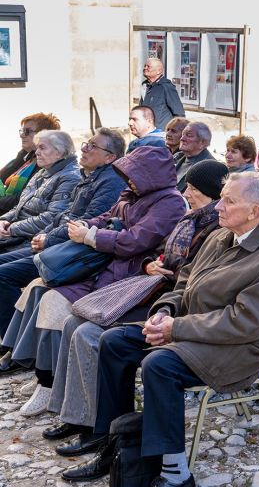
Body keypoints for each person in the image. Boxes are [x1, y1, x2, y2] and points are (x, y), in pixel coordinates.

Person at [61, 172, 259, 487]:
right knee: (114, 341)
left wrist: (177, 329)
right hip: (194, 330)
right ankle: (113, 445)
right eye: (222, 197)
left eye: (229, 201)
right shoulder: (223, 235)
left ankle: (176, 479)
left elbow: (247, 322)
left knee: (160, 365)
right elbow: (185, 282)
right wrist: (164, 312)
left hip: (240, 348)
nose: (218, 205)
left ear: (254, 211)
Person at [43, 161, 227, 446]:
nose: (186, 194)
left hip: (174, 305)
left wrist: (162, 271)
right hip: (158, 292)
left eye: (192, 189)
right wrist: (150, 265)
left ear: (212, 193)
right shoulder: (191, 219)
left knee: (89, 333)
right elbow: (163, 254)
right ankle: (75, 414)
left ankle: (99, 427)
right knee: (72, 322)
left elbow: (197, 279)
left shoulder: (215, 227)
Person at [3, 146, 185, 415]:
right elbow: (106, 216)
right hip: (107, 265)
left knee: (53, 301)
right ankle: (44, 373)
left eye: (133, 174)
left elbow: (137, 241)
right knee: (38, 289)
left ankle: (50, 382)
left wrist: (92, 237)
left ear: (150, 176)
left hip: (128, 273)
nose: (128, 179)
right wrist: (84, 226)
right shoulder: (133, 192)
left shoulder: (169, 202)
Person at [0, 130, 125, 349]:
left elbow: (86, 222)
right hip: (57, 244)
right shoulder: (90, 176)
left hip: (75, 255)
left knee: (3, 276)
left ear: (109, 157)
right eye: (86, 144)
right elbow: (61, 215)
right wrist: (43, 235)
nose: (84, 148)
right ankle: (14, 343)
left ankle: (13, 346)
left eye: (92, 146)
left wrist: (46, 238)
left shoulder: (108, 182)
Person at [0, 130, 81, 253]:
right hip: (16, 234)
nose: (37, 152)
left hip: (31, 242)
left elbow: (52, 218)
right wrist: (3, 220)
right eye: (37, 148)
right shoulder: (43, 171)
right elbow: (21, 206)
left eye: (42, 148)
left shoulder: (70, 177)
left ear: (59, 153)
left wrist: (11, 228)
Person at [0, 113, 61, 213]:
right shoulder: (25, 156)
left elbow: (23, 198)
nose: (21, 135)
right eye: (22, 130)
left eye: (27, 131)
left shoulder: (46, 163)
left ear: (43, 135)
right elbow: (3, 178)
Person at [139, 59, 185, 131]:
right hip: (146, 131)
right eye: (145, 66)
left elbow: (179, 113)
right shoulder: (145, 86)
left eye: (148, 66)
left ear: (159, 71)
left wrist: (173, 132)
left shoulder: (166, 87)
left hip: (161, 133)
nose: (145, 68)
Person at [173, 123, 214, 192]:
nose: (182, 138)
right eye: (183, 134)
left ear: (202, 143)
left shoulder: (209, 167)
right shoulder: (177, 157)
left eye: (189, 135)